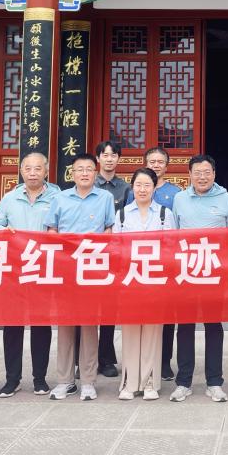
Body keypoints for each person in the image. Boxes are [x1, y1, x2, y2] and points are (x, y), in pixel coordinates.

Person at [45, 154, 116, 401]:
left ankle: (88, 381)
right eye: (80, 169)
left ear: (95, 173)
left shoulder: (105, 198)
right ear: (72, 174)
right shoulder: (60, 198)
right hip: (65, 270)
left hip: (91, 270)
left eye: (89, 169)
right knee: (65, 326)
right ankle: (64, 381)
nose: (84, 173)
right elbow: (51, 230)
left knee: (88, 326)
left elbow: (109, 229)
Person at [0, 152, 60, 397]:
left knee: (41, 325)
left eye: (38, 168)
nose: (32, 173)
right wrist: (3, 230)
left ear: (46, 171)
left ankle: (40, 378)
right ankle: (12, 379)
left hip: (44, 269)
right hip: (15, 271)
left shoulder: (58, 197)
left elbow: (65, 226)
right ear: (21, 171)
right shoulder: (10, 198)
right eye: (28, 168)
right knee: (13, 326)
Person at [170, 154, 228, 403]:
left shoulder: (227, 199)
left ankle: (215, 382)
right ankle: (183, 382)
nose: (202, 177)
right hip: (186, 273)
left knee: (213, 326)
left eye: (207, 172)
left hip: (214, 273)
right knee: (185, 326)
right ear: (189, 174)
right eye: (197, 172)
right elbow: (173, 235)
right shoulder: (179, 199)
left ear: (214, 174)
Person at [114, 167, 176, 401]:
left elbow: (171, 247)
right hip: (130, 281)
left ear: (154, 188)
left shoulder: (164, 214)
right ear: (132, 187)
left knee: (152, 332)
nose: (142, 189)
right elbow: (115, 248)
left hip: (155, 282)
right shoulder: (122, 214)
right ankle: (129, 383)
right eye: (138, 185)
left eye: (147, 185)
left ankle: (150, 381)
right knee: (130, 331)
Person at [145, 146, 182, 381]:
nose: (156, 165)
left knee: (167, 316)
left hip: (167, 262)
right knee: (144, 314)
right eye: (152, 161)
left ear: (167, 167)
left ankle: (165, 361)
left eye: (160, 162)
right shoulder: (136, 189)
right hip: (142, 262)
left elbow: (177, 227)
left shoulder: (176, 193)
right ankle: (144, 360)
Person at [93, 139, 130, 378]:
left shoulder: (126, 189)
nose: (109, 159)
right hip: (88, 254)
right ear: (98, 159)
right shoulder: (87, 183)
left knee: (108, 310)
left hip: (115, 256)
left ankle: (106, 359)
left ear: (118, 159)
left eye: (113, 155)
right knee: (86, 310)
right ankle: (84, 359)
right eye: (105, 155)